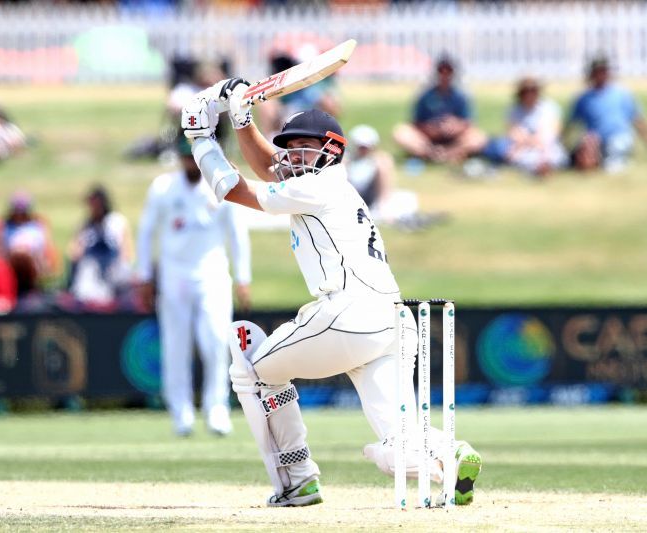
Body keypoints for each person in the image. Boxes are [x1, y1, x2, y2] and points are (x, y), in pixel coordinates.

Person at [180, 79, 482, 507]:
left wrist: (201, 140)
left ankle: (297, 479)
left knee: (252, 369)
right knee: (398, 439)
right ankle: (449, 455)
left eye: (304, 146)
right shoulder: (324, 186)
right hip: (394, 321)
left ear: (333, 150)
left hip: (349, 314)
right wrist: (242, 119)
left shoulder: (319, 184)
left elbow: (234, 189)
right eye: (290, 147)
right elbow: (270, 168)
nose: (293, 155)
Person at [135, 134, 252, 437]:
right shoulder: (163, 187)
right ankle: (181, 412)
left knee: (214, 340)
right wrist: (145, 275)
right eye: (186, 158)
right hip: (174, 274)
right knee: (175, 345)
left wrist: (243, 277)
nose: (191, 164)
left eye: (195, 158)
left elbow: (238, 233)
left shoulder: (221, 185)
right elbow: (146, 232)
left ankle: (217, 409)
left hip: (212, 272)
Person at [564, 56, 647, 173]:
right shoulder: (583, 98)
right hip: (595, 141)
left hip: (618, 138)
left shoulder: (622, 94)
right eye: (597, 71)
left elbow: (639, 122)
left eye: (603, 71)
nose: (600, 74)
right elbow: (571, 124)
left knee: (613, 164)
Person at [393, 55, 486, 165]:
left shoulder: (461, 96)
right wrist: (431, 129)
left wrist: (455, 127)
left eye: (448, 72)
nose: (445, 75)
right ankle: (429, 153)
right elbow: (415, 123)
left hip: (454, 139)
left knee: (479, 138)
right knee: (401, 133)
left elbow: (468, 123)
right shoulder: (425, 96)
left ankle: (450, 154)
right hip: (429, 140)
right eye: (442, 71)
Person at [346, 124, 443, 230]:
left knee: (408, 199)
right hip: (356, 200)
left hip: (374, 199)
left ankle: (383, 209)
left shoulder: (379, 159)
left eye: (366, 147)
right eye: (361, 147)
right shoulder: (346, 161)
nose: (364, 150)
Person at [67, 185, 135, 311]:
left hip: (113, 267)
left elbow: (126, 252)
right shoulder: (85, 225)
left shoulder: (117, 222)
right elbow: (74, 252)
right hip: (90, 268)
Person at [484, 77, 568, 177]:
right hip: (523, 147)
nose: (529, 94)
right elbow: (513, 132)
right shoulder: (514, 110)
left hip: (546, 145)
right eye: (526, 91)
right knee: (508, 152)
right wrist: (530, 140)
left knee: (554, 156)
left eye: (533, 90)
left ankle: (543, 167)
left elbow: (554, 131)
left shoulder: (550, 107)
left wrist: (537, 140)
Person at [0, 191, 59, 298]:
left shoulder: (37, 225)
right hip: (9, 265)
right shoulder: (3, 226)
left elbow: (48, 251)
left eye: (22, 210)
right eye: (17, 210)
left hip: (34, 266)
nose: (19, 214)